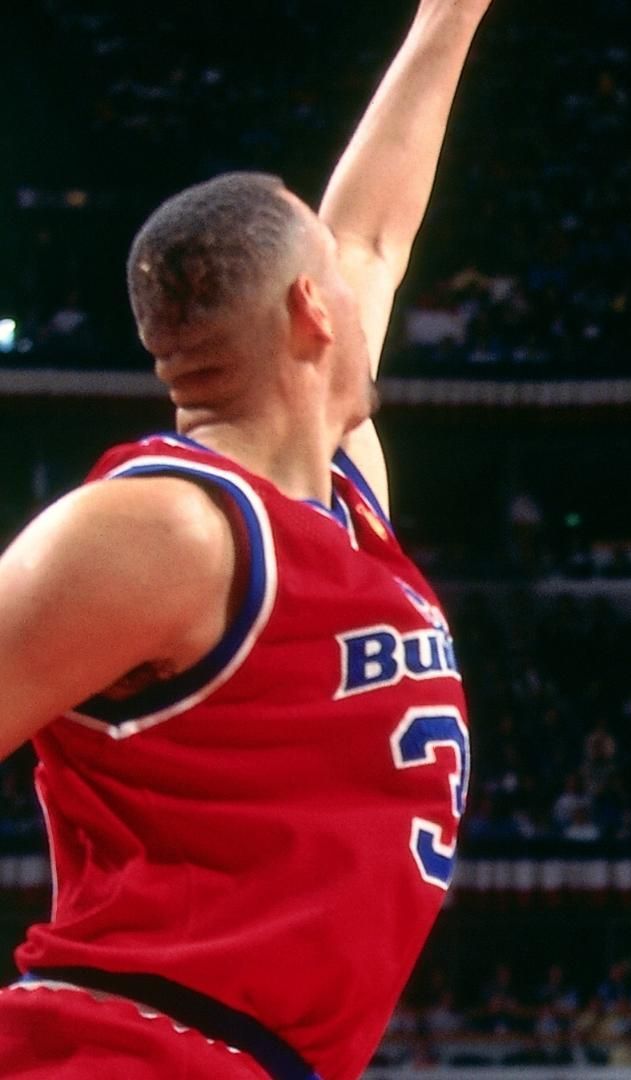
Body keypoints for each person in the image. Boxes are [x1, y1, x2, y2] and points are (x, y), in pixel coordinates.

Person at [0, 2, 489, 1077]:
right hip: (118, 1050)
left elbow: (368, 234)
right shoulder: (165, 527)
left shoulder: (341, 499)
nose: (368, 290)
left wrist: (452, 17)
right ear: (315, 311)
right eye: (338, 279)